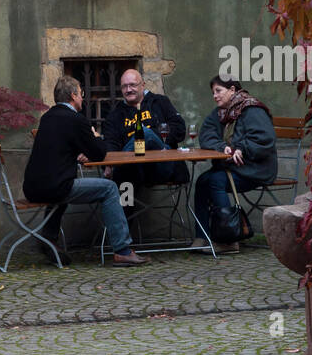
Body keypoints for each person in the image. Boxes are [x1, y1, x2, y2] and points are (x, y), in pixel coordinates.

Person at [22, 74, 148, 266]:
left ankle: (49, 238)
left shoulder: (47, 118)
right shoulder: (75, 119)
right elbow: (99, 153)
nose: (83, 97)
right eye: (81, 93)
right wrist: (95, 135)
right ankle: (122, 250)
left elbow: (66, 147)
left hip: (32, 187)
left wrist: (80, 150)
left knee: (61, 187)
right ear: (73, 95)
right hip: (55, 187)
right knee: (109, 188)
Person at [191, 75, 278, 253]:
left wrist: (241, 149)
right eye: (213, 92)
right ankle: (204, 236)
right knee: (202, 182)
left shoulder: (252, 109)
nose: (215, 96)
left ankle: (228, 240)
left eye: (218, 91)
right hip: (234, 168)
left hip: (256, 169)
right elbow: (206, 134)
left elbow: (264, 140)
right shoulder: (221, 113)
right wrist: (223, 147)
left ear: (232, 90)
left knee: (216, 180)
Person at [102, 68, 188, 187]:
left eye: (132, 85)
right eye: (124, 86)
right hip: (133, 169)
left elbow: (180, 129)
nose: (128, 90)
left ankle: (117, 168)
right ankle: (119, 170)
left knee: (144, 133)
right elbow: (110, 142)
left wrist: (152, 135)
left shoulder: (160, 102)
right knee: (127, 170)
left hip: (161, 165)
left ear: (143, 85)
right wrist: (108, 161)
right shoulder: (115, 115)